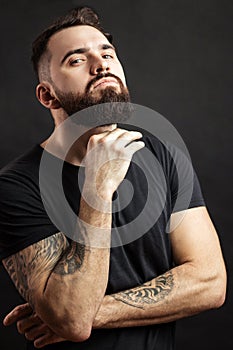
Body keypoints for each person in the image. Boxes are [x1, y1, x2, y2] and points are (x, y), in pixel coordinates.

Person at [0, 6, 226, 350]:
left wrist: (91, 312)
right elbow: (71, 319)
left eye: (107, 53)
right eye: (76, 60)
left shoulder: (161, 155)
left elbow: (210, 283)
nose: (101, 64)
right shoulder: (14, 188)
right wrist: (98, 189)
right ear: (47, 95)